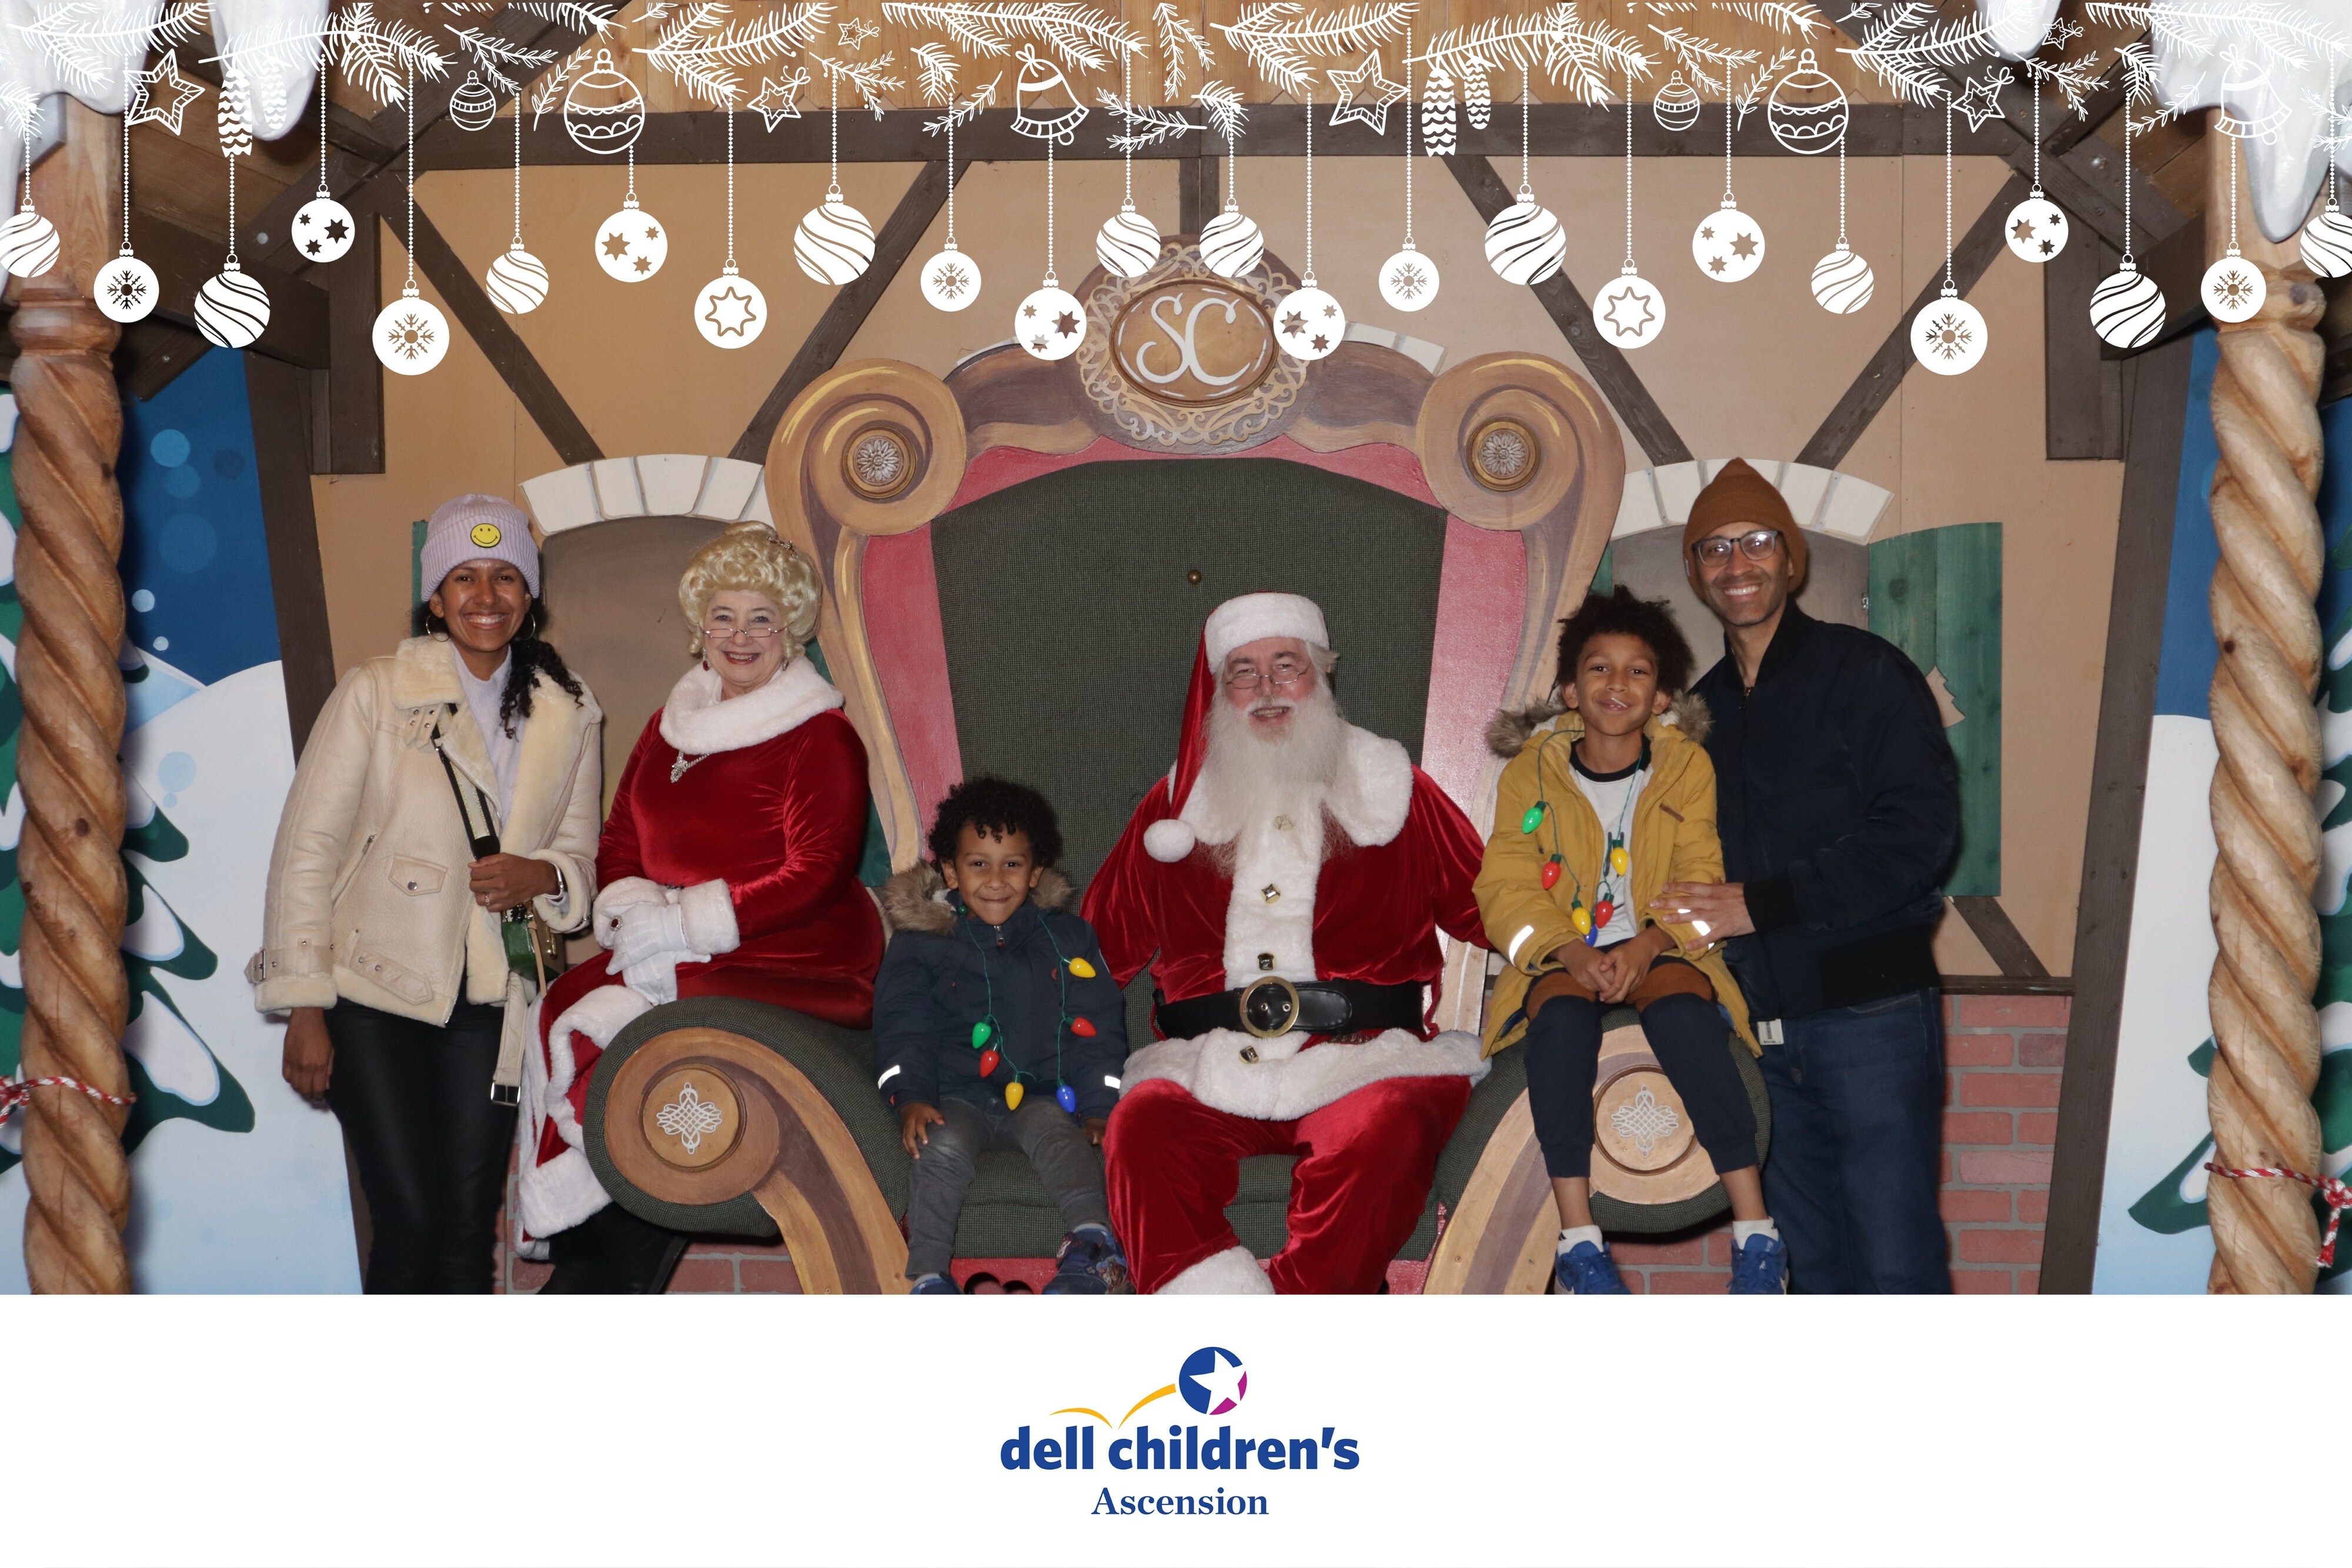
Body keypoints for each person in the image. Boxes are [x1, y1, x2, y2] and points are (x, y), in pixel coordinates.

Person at [1085, 592, 1491, 1294]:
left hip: (1363, 1059)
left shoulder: (1397, 789)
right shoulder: (1175, 808)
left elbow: (1494, 905)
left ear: (1322, 673)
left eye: (1286, 665)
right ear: (1219, 693)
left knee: (1384, 1125)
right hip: (1208, 1063)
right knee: (1142, 1126)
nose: (1267, 687)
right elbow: (1090, 951)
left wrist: (1588, 950)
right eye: (1243, 672)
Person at [520, 519, 886, 1292]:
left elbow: (818, 873)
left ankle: (595, 1275)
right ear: (700, 627)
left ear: (790, 631)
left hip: (792, 953)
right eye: (724, 616)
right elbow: (621, 840)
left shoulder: (820, 736)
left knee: (654, 1041)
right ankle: (587, 1247)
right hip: (671, 943)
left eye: (761, 618)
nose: (740, 636)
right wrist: (633, 906)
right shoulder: (669, 726)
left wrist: (685, 923)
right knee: (568, 1001)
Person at [252, 494, 602, 1292]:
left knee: (466, 1223)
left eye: (506, 576)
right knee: (409, 1216)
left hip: (490, 1002)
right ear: (435, 599)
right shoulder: (376, 691)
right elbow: (305, 850)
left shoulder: (571, 710)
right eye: (464, 577)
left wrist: (542, 875)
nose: (486, 595)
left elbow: (579, 860)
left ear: (530, 595)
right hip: (368, 992)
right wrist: (303, 1004)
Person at [1651, 459, 1961, 1293]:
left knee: (1896, 1264)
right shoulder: (1695, 715)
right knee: (1812, 1271)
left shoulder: (1866, 672)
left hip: (1871, 1019)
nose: (1737, 563)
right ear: (1696, 574)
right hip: (1757, 1031)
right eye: (1715, 548)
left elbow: (1919, 836)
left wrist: (1762, 903)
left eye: (1757, 542)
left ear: (1792, 558)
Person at [1475, 587, 1783, 1295]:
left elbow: (1701, 872)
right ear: (1569, 690)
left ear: (1663, 696)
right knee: (1560, 1025)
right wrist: (1569, 950)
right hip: (1562, 954)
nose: (1617, 683)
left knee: (1684, 1020)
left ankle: (1757, 1234)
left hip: (1664, 945)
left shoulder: (1685, 767)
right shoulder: (1531, 771)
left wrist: (1646, 946)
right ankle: (1580, 1244)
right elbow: (1506, 883)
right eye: (1599, 668)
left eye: (1637, 671)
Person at [874, 777, 1132, 1295]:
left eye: (1012, 864)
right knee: (939, 1148)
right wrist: (911, 1095)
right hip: (955, 1096)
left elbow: (1099, 1026)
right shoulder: (920, 942)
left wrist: (1101, 1106)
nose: (996, 880)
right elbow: (903, 1024)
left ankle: (1094, 1249)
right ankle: (928, 1276)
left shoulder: (1068, 939)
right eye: (978, 863)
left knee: (1063, 1141)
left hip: (1040, 1095)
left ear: (1035, 872)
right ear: (951, 870)